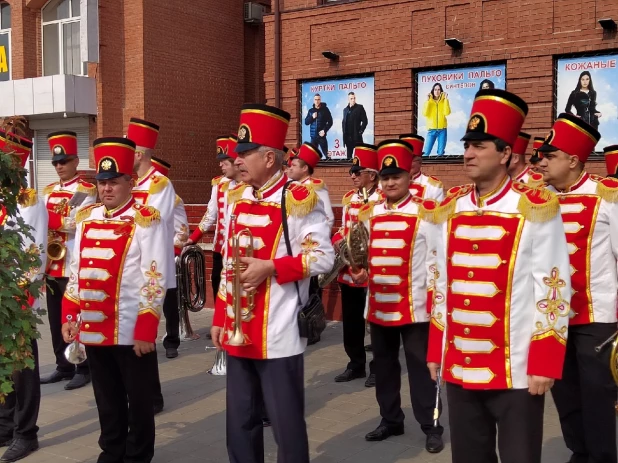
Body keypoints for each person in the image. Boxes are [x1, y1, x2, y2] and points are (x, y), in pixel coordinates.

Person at [426, 89, 572, 463]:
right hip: (459, 364)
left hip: (516, 369)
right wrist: (436, 349)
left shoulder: (535, 207)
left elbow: (554, 288)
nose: (468, 153)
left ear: (505, 152)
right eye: (467, 145)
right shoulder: (451, 207)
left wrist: (544, 361)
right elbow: (439, 283)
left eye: (479, 146)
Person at [211, 103, 334, 463]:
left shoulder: (298, 199)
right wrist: (220, 317)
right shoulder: (239, 199)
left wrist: (272, 267)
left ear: (269, 157)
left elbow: (322, 258)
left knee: (286, 427)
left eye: (245, 154)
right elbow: (228, 269)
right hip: (239, 329)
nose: (238, 161)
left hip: (277, 334)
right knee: (240, 423)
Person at [62, 137, 170, 463]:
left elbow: (155, 276)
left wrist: (146, 327)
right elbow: (76, 271)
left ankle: (137, 456)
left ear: (130, 182)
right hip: (94, 326)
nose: (106, 189)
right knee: (106, 399)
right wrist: (70, 314)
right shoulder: (86, 217)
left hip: (130, 328)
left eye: (113, 182)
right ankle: (111, 452)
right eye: (101, 182)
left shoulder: (146, 218)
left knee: (138, 401)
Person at [349, 139, 444, 453]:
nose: (390, 182)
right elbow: (360, 255)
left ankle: (431, 425)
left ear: (408, 177)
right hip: (379, 307)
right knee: (385, 367)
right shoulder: (368, 212)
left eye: (397, 176)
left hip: (415, 309)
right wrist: (359, 272)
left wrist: (434, 306)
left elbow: (437, 261)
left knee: (421, 371)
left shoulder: (426, 212)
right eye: (385, 177)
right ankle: (390, 419)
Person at [537, 113, 617, 463]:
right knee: (565, 394)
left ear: (572, 160)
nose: (542, 161)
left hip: (596, 317)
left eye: (550, 156)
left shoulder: (607, 196)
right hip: (552, 318)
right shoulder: (537, 199)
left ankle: (602, 457)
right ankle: (578, 452)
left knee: (598, 397)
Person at [0, 132, 46, 463]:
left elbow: (34, 257)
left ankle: (25, 432)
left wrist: (19, 299)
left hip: (17, 298)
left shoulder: (28, 201)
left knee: (22, 369)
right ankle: (5, 423)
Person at [40, 132, 96, 390]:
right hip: (52, 264)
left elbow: (79, 222)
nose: (59, 166)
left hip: (73, 263)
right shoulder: (49, 190)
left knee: (76, 317)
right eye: (55, 162)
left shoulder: (87, 189)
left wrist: (51, 222)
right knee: (54, 319)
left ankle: (83, 367)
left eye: (64, 161)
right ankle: (62, 366)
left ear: (76, 161)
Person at [332, 144, 383, 387]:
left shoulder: (384, 198)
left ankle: (378, 367)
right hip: (350, 269)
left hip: (373, 269)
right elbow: (344, 227)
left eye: (357, 171)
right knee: (351, 320)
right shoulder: (349, 198)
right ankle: (355, 364)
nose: (352, 175)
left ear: (372, 175)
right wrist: (337, 240)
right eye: (351, 172)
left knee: (376, 322)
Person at [129, 118, 179, 361]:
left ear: (138, 154)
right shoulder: (130, 183)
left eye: (130, 151)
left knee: (162, 300)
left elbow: (152, 221)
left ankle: (171, 340)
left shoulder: (160, 184)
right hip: (131, 259)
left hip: (154, 257)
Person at [187, 135, 242, 304]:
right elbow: (210, 215)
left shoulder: (250, 185)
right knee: (218, 285)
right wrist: (193, 238)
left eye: (224, 162)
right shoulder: (219, 184)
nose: (220, 165)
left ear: (236, 162)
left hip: (239, 249)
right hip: (220, 247)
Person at [398, 134, 444, 201]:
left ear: (420, 162)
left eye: (411, 159)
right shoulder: (385, 184)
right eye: (403, 158)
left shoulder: (433, 186)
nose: (406, 163)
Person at [422, 83, 451, 156]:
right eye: (435, 89)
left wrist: (446, 100)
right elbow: (424, 113)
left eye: (439, 89)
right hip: (431, 130)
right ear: (433, 90)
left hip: (442, 130)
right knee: (426, 153)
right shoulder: (429, 101)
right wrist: (427, 101)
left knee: (440, 153)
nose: (437, 91)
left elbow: (447, 113)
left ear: (441, 91)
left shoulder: (444, 101)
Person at [304, 94, 333, 160]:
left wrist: (324, 130)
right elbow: (306, 122)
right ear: (313, 101)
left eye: (318, 99)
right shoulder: (311, 111)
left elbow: (330, 122)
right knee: (312, 157)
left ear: (320, 100)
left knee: (327, 156)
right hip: (313, 137)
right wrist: (312, 117)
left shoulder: (325, 110)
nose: (317, 101)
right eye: (315, 100)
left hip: (322, 136)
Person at [342, 92, 369, 160]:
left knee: (359, 158)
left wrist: (361, 131)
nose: (353, 100)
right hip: (348, 138)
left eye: (354, 98)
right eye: (351, 98)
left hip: (357, 137)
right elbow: (344, 123)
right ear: (348, 99)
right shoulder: (345, 110)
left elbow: (365, 120)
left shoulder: (359, 107)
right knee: (348, 159)